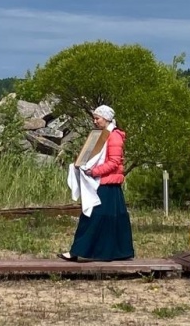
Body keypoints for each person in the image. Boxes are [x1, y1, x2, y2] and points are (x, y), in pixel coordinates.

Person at [59, 105, 134, 261]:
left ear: (106, 118)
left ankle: (78, 251)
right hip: (103, 182)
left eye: (97, 118)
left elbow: (114, 162)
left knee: (93, 216)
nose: (94, 121)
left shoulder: (113, 137)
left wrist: (93, 172)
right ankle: (114, 252)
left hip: (107, 183)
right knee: (109, 218)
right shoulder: (102, 136)